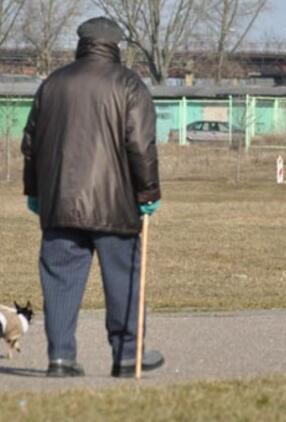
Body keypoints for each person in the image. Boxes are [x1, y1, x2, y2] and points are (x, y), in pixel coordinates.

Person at [21, 17, 163, 378]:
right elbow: (141, 147)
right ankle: (128, 354)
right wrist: (147, 193)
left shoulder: (53, 84)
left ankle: (60, 356)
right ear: (116, 45)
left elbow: (31, 145)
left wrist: (35, 192)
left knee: (60, 280)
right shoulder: (130, 85)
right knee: (123, 279)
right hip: (115, 206)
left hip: (60, 204)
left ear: (81, 43)